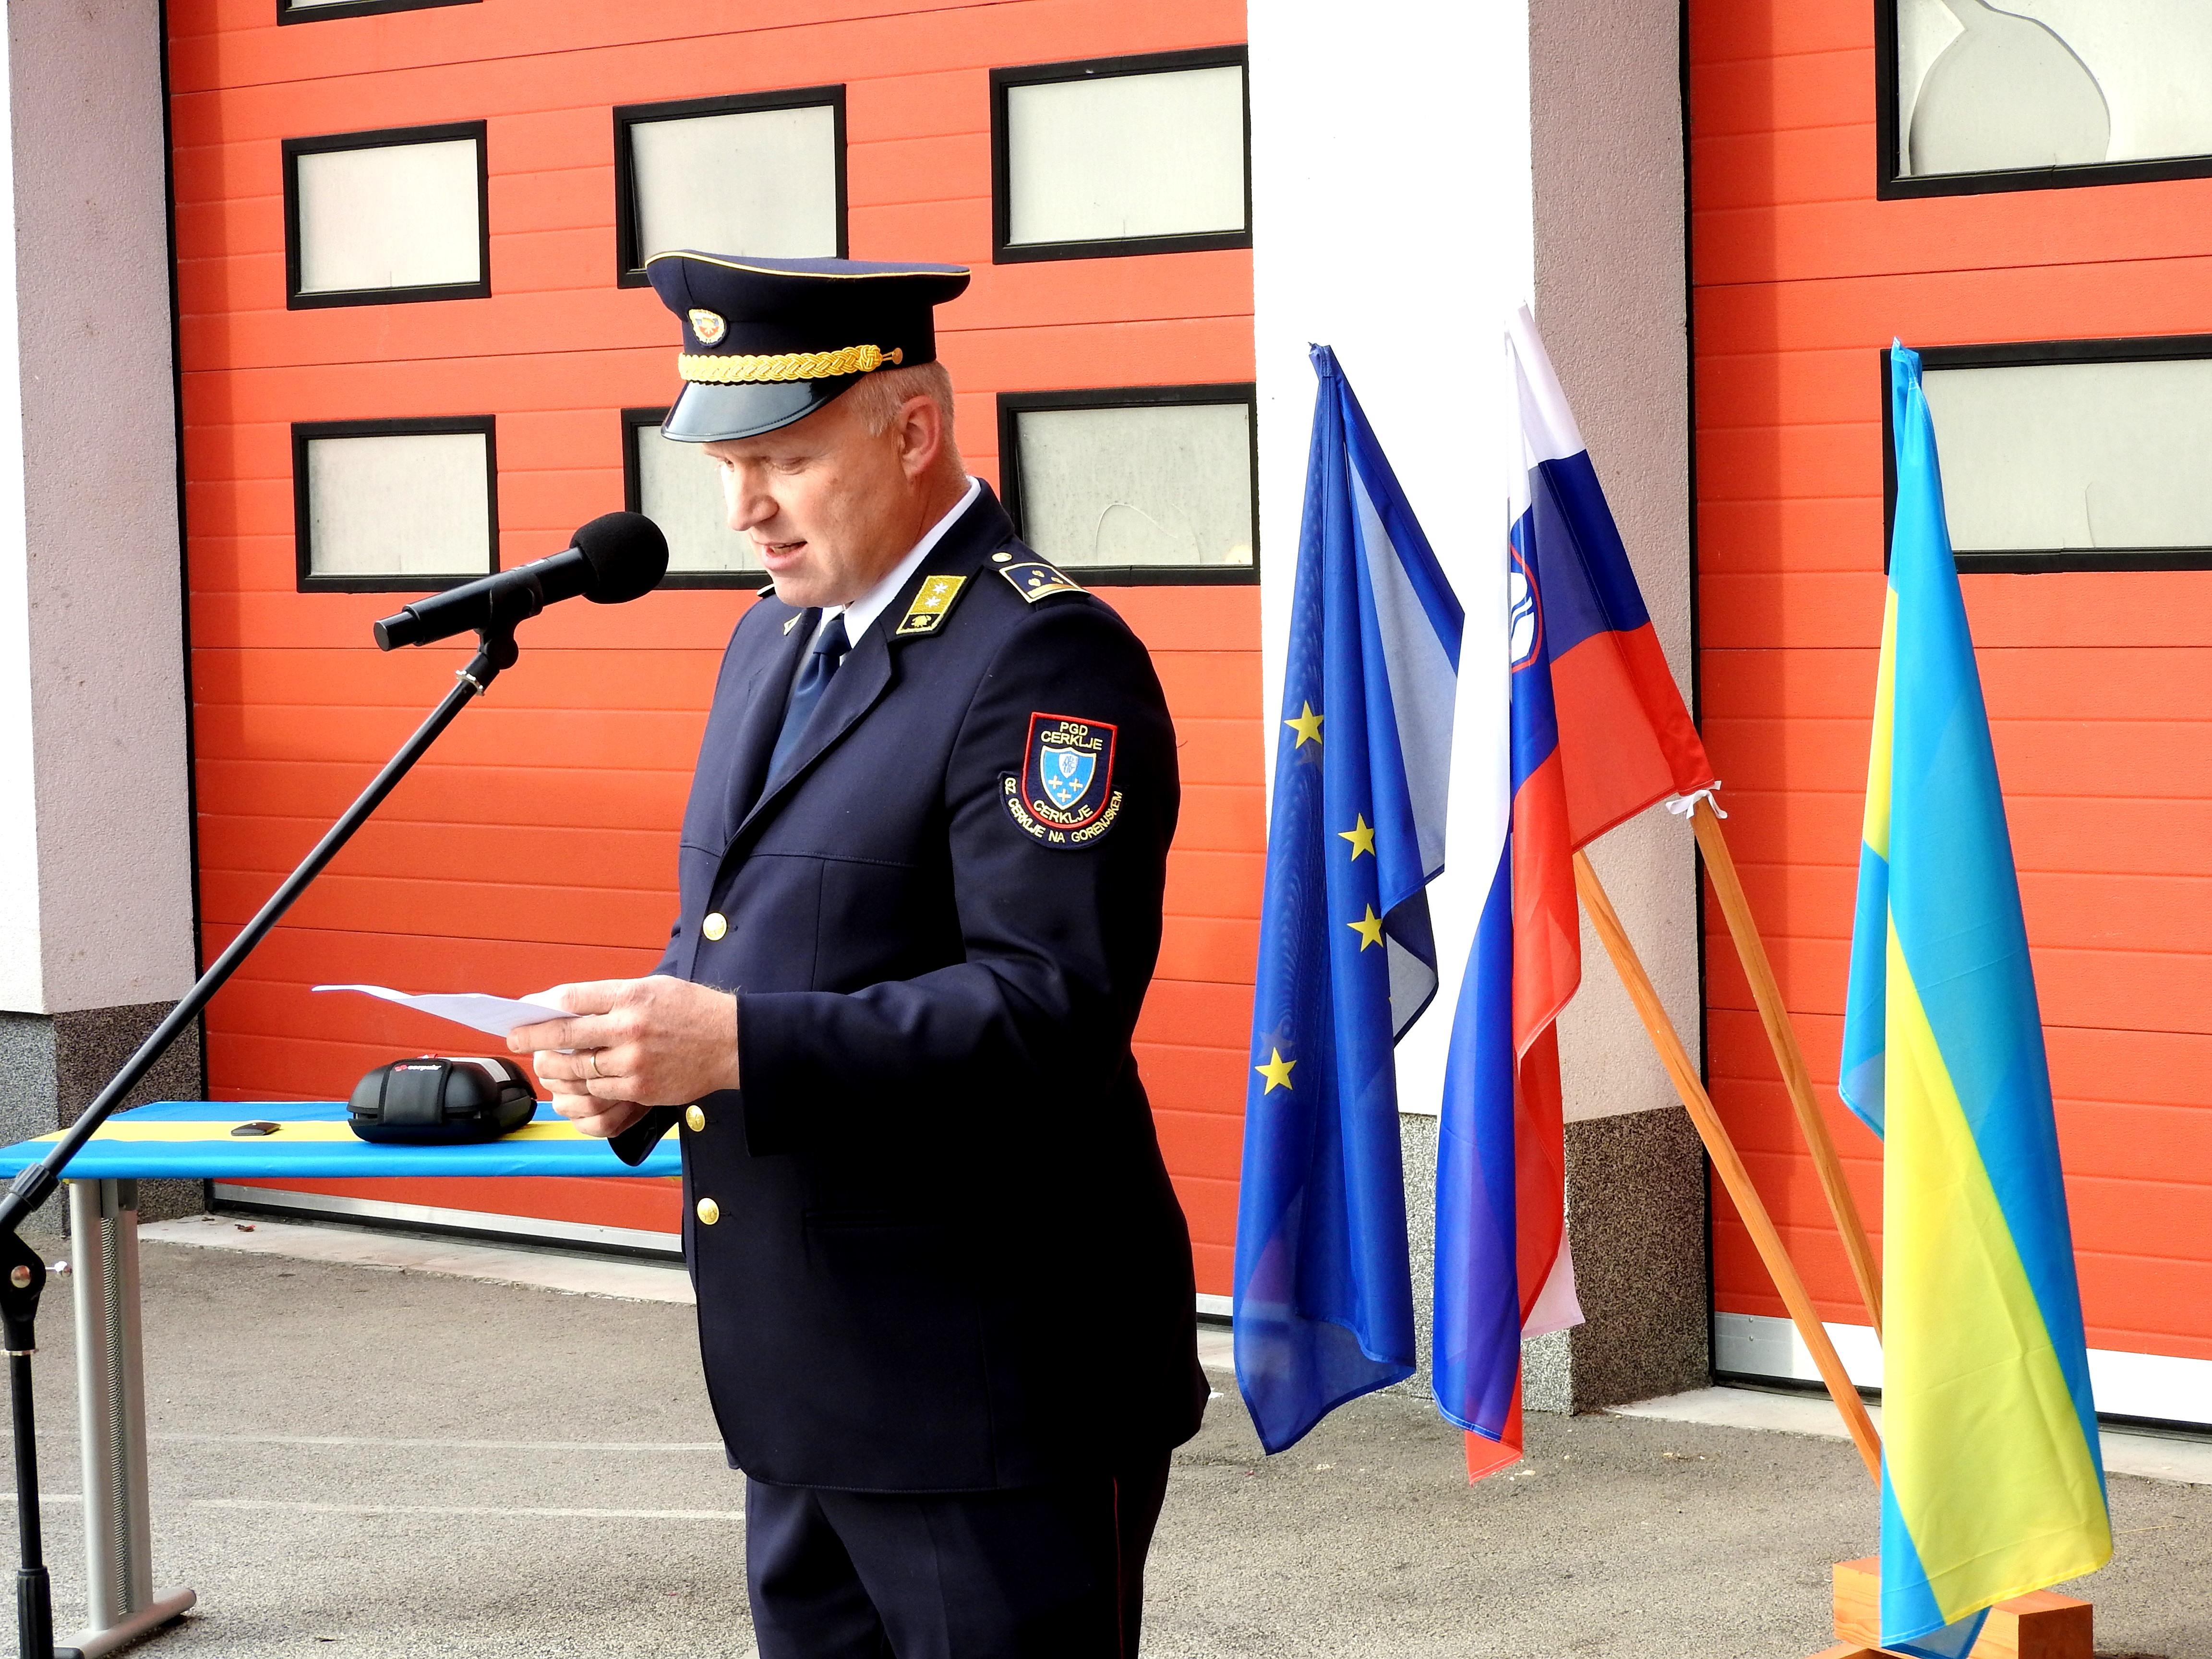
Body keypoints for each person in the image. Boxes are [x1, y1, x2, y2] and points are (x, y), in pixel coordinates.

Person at [507, 252, 1208, 1659]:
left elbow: (1049, 1009)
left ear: (913, 431)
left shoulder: (1044, 659)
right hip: (802, 1371)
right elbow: (739, 932)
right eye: (727, 466)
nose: (743, 509)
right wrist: (631, 1062)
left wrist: (733, 1045)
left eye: (787, 461)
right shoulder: (772, 644)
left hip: (986, 1385)